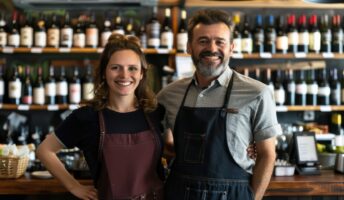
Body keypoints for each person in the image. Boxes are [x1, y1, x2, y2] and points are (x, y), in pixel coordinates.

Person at [157, 9, 281, 200]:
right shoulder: (168, 95)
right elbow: (157, 144)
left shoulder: (257, 93)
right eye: (203, 41)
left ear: (231, 47)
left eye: (219, 41)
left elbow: (267, 155)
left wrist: (253, 198)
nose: (212, 48)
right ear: (189, 46)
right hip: (179, 192)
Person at [36, 33, 165, 200]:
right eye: (115, 67)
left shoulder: (155, 112)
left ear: (141, 74)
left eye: (132, 68)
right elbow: (44, 150)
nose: (124, 75)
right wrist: (74, 186)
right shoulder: (87, 117)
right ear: (104, 72)